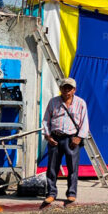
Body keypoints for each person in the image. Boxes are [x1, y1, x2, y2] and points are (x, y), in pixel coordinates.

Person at [41, 78, 89, 207]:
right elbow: (46, 120)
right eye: (64, 88)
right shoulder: (53, 102)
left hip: (72, 139)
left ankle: (71, 193)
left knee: (72, 168)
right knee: (52, 168)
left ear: (74, 90)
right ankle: (51, 193)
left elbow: (85, 123)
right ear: (60, 89)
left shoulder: (81, 103)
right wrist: (47, 135)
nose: (66, 90)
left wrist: (79, 137)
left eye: (69, 88)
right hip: (55, 139)